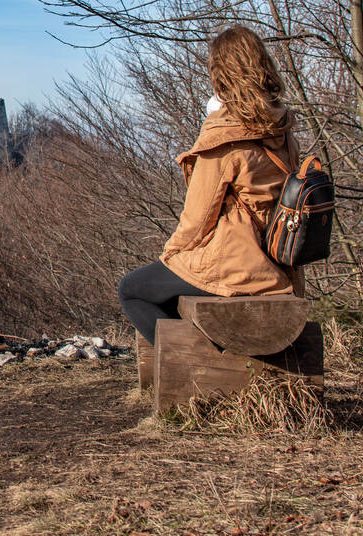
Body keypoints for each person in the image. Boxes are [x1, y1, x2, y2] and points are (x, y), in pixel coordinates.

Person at [118, 25, 300, 346]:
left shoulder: (226, 137)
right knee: (164, 286)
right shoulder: (283, 132)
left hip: (234, 266)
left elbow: (197, 220)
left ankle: (193, 363)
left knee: (132, 289)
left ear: (221, 75)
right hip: (277, 266)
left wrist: (170, 255)